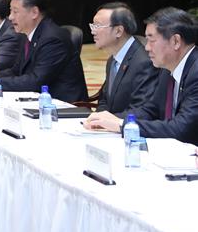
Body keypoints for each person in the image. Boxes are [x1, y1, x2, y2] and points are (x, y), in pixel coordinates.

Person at [85, 8, 198, 144]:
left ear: (175, 41)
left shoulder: (195, 72)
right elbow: (151, 110)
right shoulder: (167, 69)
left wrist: (122, 125)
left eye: (152, 40)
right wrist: (111, 119)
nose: (147, 47)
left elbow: (180, 128)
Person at [0, 0, 88, 101]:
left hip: (63, 105)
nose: (10, 17)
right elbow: (16, 70)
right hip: (39, 100)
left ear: (34, 12)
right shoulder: (27, 34)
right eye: (10, 11)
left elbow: (36, 80)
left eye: (15, 11)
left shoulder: (52, 38)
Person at [89, 2, 158, 114]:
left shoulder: (144, 62)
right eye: (93, 25)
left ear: (118, 31)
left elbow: (141, 110)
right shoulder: (113, 59)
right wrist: (97, 119)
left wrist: (108, 122)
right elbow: (105, 101)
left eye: (98, 26)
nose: (93, 31)